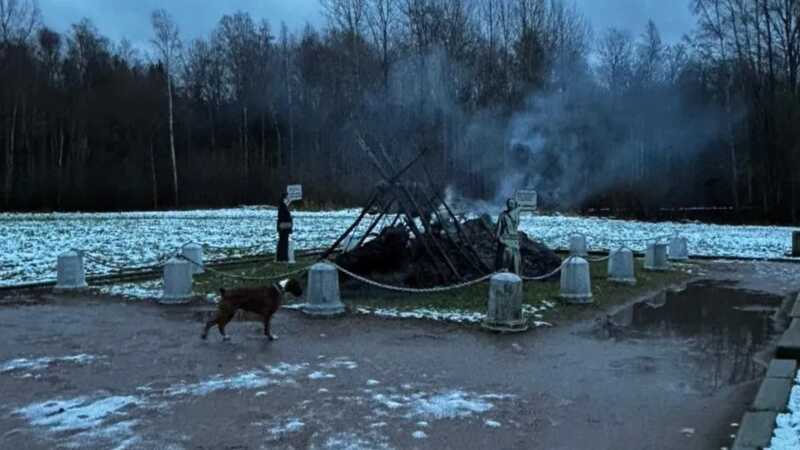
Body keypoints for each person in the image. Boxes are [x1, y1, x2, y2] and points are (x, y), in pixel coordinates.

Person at [495, 198, 522, 274]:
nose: (511, 205)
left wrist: (518, 208)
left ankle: (515, 274)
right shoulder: (502, 215)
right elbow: (499, 227)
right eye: (509, 203)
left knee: (516, 258)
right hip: (505, 238)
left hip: (514, 240)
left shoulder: (516, 214)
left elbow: (514, 218)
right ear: (507, 205)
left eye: (512, 203)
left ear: (515, 205)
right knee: (507, 254)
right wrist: (498, 237)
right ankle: (504, 272)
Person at [276, 192, 293, 262]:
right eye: (287, 197)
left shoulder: (282, 206)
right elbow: (283, 217)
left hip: (282, 226)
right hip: (284, 226)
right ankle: (283, 257)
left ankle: (281, 257)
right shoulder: (283, 206)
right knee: (283, 242)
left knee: (282, 242)